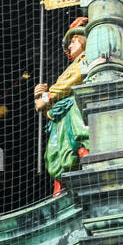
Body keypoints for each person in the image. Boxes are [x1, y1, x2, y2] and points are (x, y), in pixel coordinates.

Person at [34, 16, 90, 195]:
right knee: (53, 152)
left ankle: (86, 158)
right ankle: (59, 185)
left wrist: (47, 96)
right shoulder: (72, 66)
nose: (70, 46)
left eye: (74, 41)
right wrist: (41, 97)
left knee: (74, 136)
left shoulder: (85, 60)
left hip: (75, 109)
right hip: (60, 118)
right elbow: (52, 110)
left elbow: (73, 82)